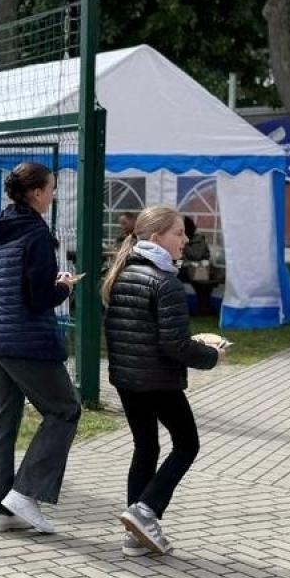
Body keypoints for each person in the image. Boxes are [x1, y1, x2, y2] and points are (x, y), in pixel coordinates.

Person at [102, 206, 224, 556]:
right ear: (156, 238)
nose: (185, 240)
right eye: (178, 233)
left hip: (127, 379)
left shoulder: (123, 271)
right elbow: (174, 344)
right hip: (157, 380)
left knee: (146, 447)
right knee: (187, 444)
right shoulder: (164, 281)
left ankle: (134, 534)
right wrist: (212, 355)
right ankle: (145, 510)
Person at [0, 163, 83, 535]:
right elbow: (38, 298)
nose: (54, 194)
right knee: (65, 409)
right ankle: (25, 492)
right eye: (51, 188)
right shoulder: (36, 233)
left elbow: (1, 280)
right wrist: (64, 286)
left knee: (1, 422)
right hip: (23, 341)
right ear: (36, 193)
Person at [180, 216, 215, 315]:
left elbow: (196, 255)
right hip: (185, 269)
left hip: (198, 270)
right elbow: (178, 258)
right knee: (174, 277)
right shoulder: (179, 238)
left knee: (202, 287)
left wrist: (184, 246)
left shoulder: (198, 239)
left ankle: (203, 309)